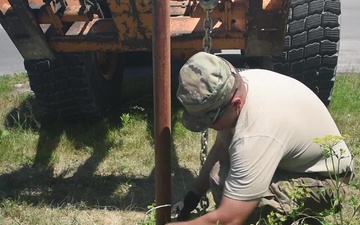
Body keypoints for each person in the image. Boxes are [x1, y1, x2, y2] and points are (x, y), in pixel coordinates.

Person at [166, 52, 354, 225]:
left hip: (327, 182)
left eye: (210, 120)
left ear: (235, 105)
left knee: (232, 188)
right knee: (220, 173)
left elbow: (232, 217)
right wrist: (192, 196)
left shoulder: (256, 134)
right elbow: (222, 147)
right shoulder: (237, 83)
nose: (208, 126)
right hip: (297, 161)